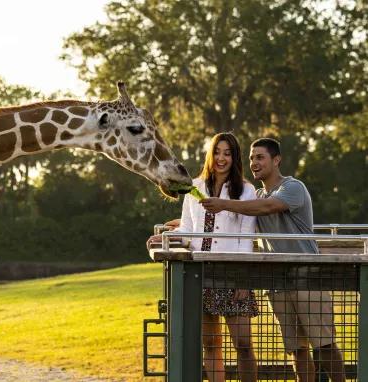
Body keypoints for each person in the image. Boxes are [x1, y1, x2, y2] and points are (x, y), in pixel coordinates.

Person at [200, 137, 346, 382]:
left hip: (307, 279)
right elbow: (227, 221)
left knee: (324, 344)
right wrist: (177, 227)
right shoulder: (254, 195)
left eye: (260, 157)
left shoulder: (292, 188)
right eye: (251, 158)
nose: (254, 163)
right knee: (297, 349)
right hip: (278, 283)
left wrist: (222, 204)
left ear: (276, 160)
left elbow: (266, 207)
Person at [147, 132, 258, 382]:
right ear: (210, 154)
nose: (221, 158)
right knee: (211, 344)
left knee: (243, 344)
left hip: (232, 274)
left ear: (235, 158)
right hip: (201, 273)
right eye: (217, 152)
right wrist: (168, 237)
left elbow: (246, 236)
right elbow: (188, 228)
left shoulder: (246, 191)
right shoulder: (194, 187)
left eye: (227, 153)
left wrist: (243, 278)